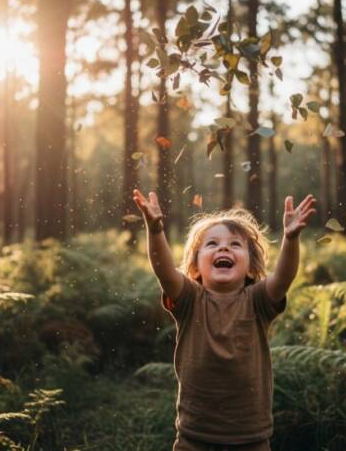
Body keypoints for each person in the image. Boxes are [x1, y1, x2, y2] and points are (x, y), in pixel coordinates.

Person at [132, 189, 316, 451]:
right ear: (195, 267)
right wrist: (155, 230)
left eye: (235, 244)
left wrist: (290, 238)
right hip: (194, 436)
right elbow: (164, 271)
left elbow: (284, 278)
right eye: (212, 244)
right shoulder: (189, 300)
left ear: (251, 267)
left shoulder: (258, 301)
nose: (224, 247)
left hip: (251, 437)